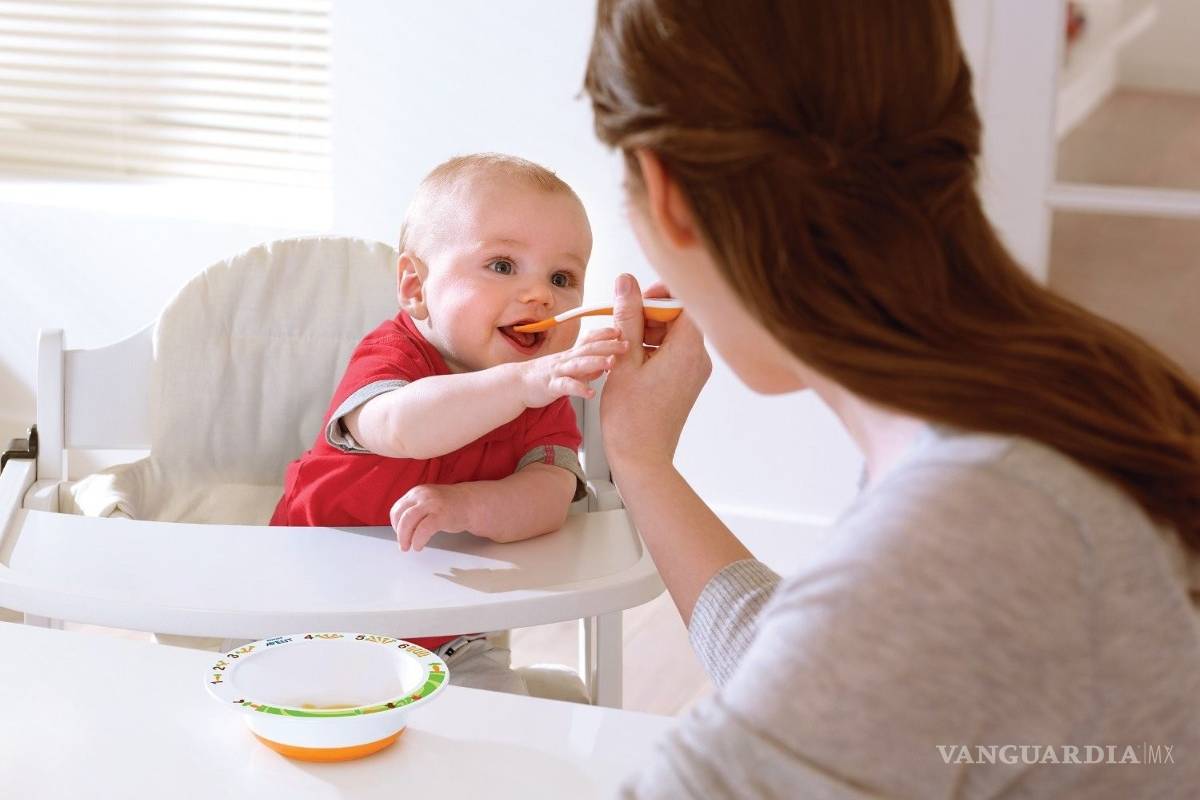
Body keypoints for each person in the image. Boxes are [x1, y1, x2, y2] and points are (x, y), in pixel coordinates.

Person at [584, 1, 1200, 797]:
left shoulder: (978, 522)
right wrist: (640, 459)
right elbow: (848, 692)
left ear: (664, 191)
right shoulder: (1070, 390)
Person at [271, 153, 626, 693]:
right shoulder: (392, 357)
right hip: (304, 613)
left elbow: (550, 495)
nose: (540, 295)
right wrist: (523, 385)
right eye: (503, 265)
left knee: (500, 710)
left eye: (562, 277)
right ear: (415, 287)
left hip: (447, 637)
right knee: (274, 710)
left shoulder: (541, 393)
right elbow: (401, 427)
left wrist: (467, 506)